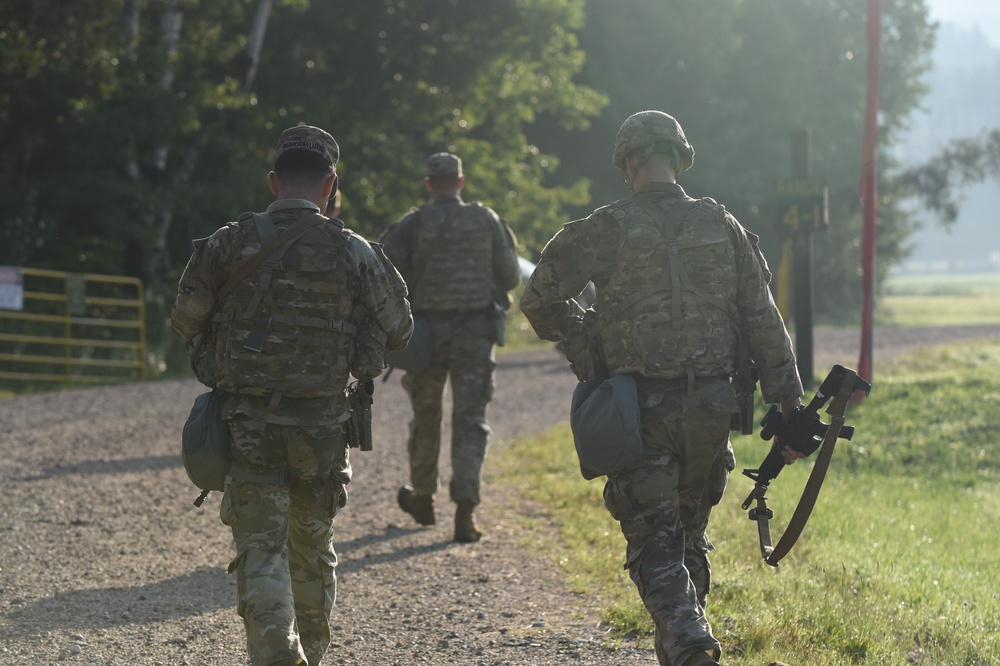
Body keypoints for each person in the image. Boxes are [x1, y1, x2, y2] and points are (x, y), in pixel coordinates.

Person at [519, 111, 804, 666]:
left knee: (654, 539)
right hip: (713, 408)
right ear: (678, 159)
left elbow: (538, 298)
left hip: (637, 410)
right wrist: (788, 403)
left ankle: (689, 640)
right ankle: (683, 646)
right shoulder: (724, 227)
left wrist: (587, 345)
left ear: (629, 162)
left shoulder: (606, 226)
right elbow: (764, 320)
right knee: (689, 534)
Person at [170, 125, 412, 666]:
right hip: (323, 427)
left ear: (275, 181)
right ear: (330, 183)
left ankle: (276, 646)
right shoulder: (355, 250)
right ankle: (311, 653)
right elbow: (398, 326)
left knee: (261, 546)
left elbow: (186, 318)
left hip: (247, 424)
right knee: (311, 545)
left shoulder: (225, 243)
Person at [379, 152, 521, 543]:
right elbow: (509, 276)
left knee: (426, 417)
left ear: (429, 184)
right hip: (475, 333)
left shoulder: (411, 224)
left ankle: (422, 496)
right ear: (460, 181)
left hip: (424, 333)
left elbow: (383, 274)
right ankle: (465, 513)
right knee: (470, 420)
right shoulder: (486, 220)